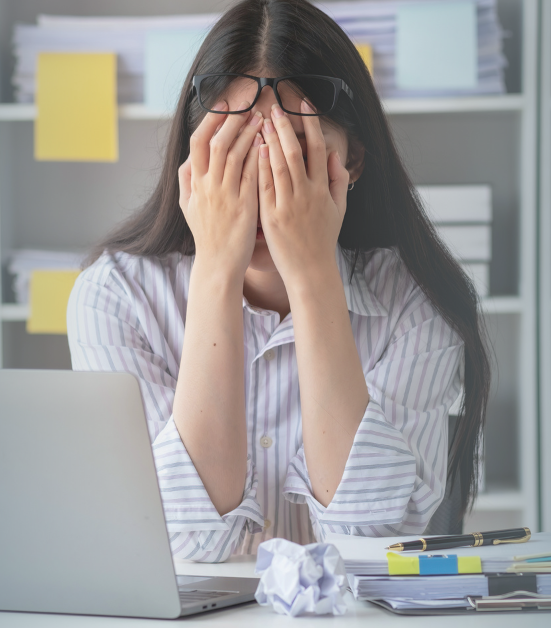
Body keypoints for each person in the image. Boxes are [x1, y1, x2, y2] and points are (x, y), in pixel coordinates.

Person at [67, 0, 490, 563]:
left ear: (353, 162)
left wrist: (313, 272)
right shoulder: (115, 297)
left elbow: (371, 540)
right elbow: (191, 543)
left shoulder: (417, 301)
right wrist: (216, 267)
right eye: (234, 158)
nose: (265, 197)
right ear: (193, 164)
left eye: (297, 160)